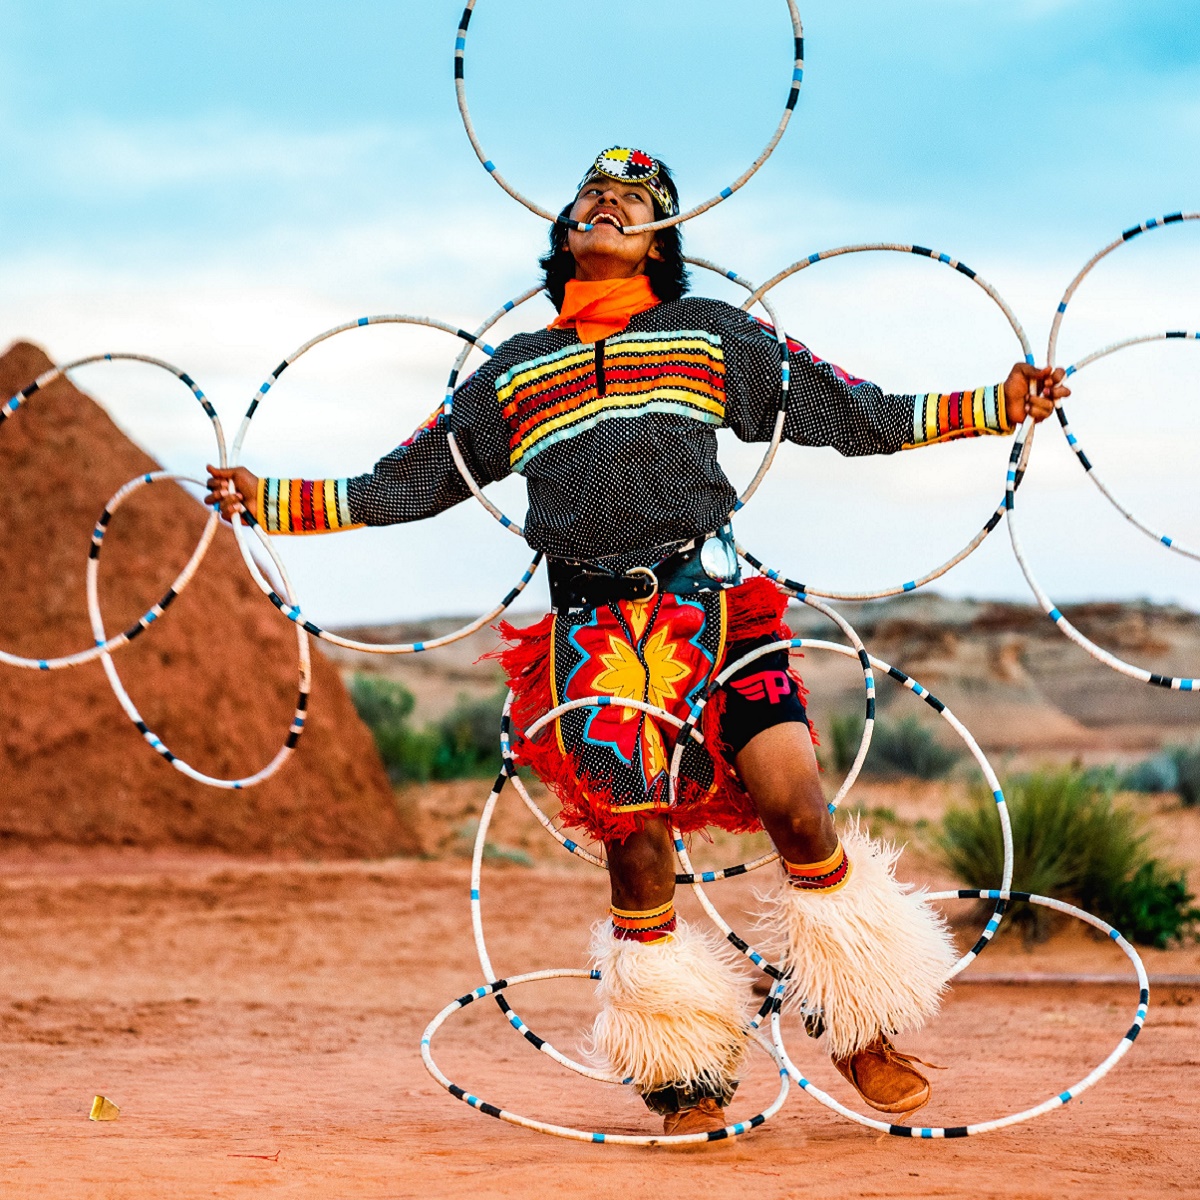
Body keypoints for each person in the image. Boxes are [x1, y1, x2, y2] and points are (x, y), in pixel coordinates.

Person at [207, 147, 1066, 1137]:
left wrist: (997, 404)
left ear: (663, 236)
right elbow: (406, 483)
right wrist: (265, 500)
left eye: (637, 199)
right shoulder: (513, 374)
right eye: (592, 194)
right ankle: (684, 1076)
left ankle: (864, 1023)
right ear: (563, 226)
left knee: (796, 805)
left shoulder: (710, 337)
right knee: (640, 853)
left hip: (720, 609)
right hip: (595, 637)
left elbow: (853, 414)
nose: (610, 202)